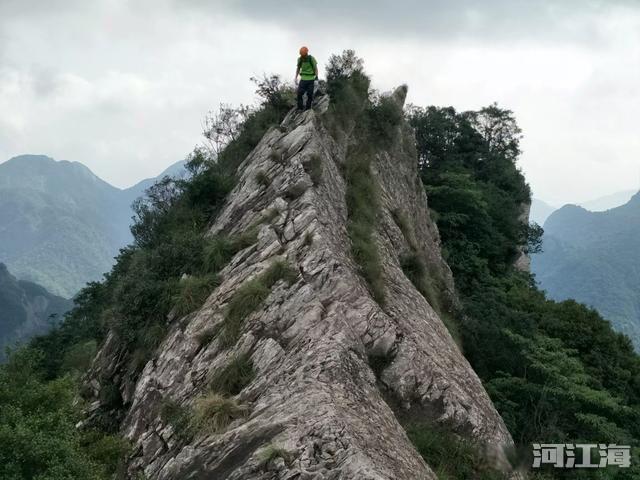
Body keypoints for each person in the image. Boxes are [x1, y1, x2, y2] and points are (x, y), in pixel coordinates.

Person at [295, 46, 318, 111]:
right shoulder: (300, 59)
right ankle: (300, 108)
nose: (303, 56)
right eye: (301, 55)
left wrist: (316, 78)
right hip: (303, 79)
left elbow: (316, 69)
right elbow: (298, 68)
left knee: (310, 94)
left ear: (306, 53)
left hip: (311, 79)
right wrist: (296, 77)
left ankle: (308, 108)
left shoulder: (311, 58)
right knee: (299, 94)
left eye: (304, 55)